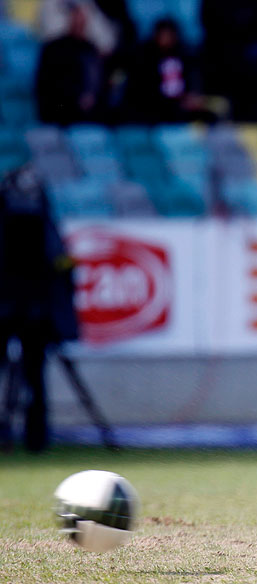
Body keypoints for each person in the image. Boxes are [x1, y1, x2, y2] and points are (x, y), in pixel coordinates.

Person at [0, 165, 79, 452]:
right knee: (35, 375)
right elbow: (61, 263)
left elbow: (61, 264)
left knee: (35, 375)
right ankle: (34, 439)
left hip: (34, 311)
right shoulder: (36, 222)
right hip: (18, 308)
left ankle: (36, 438)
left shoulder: (43, 223)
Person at [34, 1, 104, 125]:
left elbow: (96, 84)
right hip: (60, 112)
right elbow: (46, 87)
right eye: (76, 16)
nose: (80, 21)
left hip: (89, 115)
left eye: (83, 18)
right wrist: (76, 100)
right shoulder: (53, 48)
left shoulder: (90, 49)